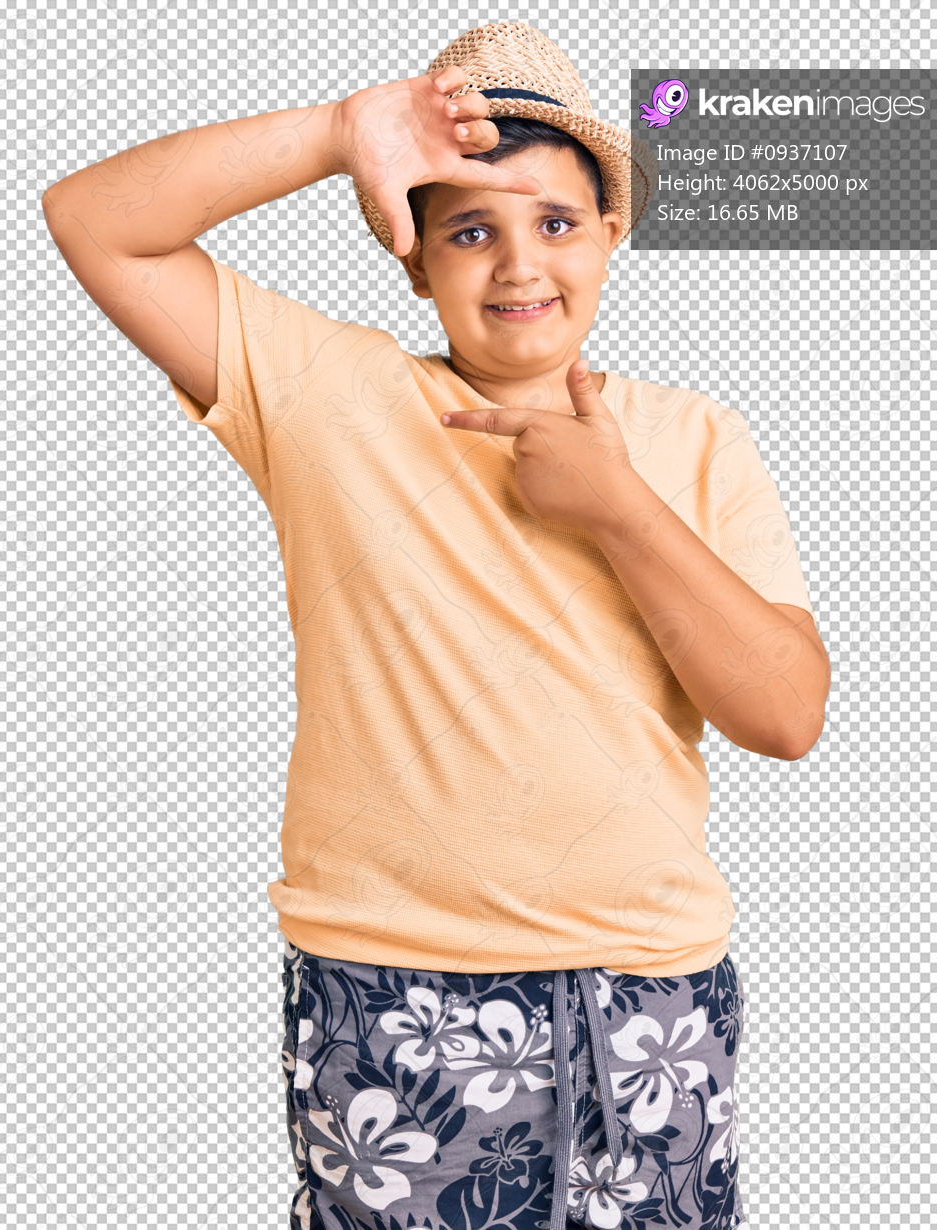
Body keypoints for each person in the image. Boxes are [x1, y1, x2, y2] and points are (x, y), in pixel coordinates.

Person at [42, 19, 830, 1230]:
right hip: (395, 993)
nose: (518, 266)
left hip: (648, 998)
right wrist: (331, 134)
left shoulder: (695, 439)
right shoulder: (332, 400)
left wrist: (618, 509)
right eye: (470, 230)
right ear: (414, 259)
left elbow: (783, 714)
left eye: (554, 224)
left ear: (612, 235)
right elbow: (96, 221)